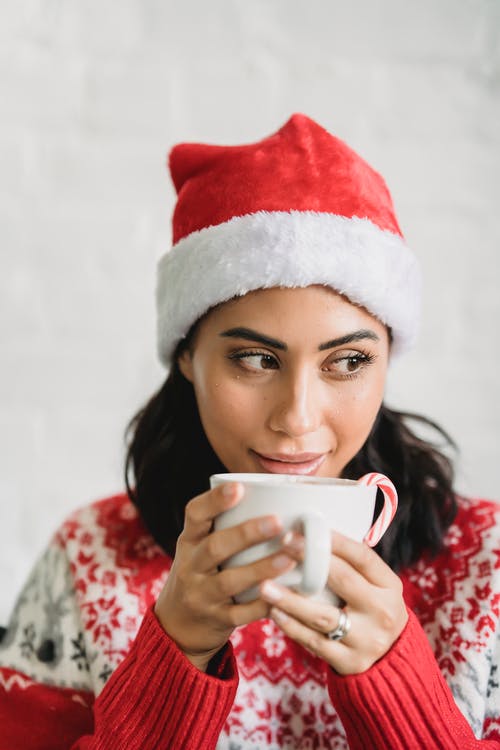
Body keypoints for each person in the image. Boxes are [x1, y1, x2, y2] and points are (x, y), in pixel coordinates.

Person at [0, 113, 499, 750]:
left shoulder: (488, 566)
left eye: (347, 361)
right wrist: (173, 657)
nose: (296, 417)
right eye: (255, 358)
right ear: (186, 354)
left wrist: (400, 694)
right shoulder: (91, 557)